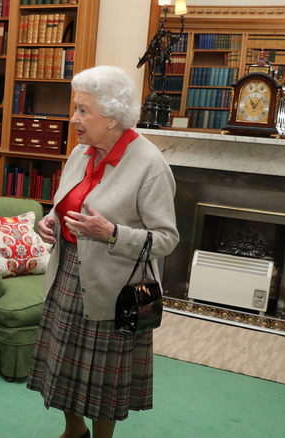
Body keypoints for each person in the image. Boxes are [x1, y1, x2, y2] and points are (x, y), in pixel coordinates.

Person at [27, 65, 180, 438]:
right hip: (67, 273)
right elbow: (65, 204)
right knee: (63, 365)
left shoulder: (150, 166)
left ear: (111, 118)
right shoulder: (80, 153)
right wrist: (49, 222)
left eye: (83, 110)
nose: (73, 119)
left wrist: (112, 233)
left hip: (114, 290)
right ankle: (73, 429)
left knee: (101, 383)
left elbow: (166, 239)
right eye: (75, 108)